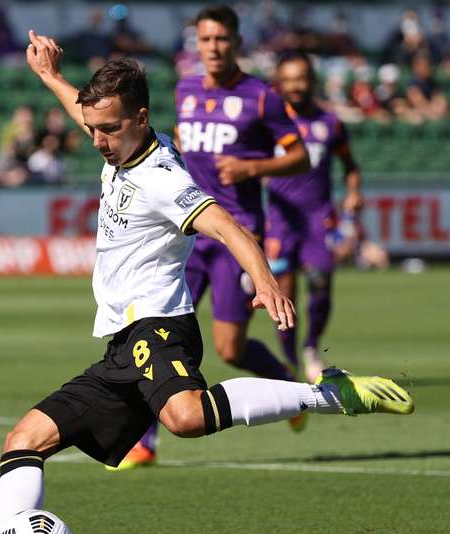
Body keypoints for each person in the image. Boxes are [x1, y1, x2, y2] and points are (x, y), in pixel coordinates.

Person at [0, 30, 413, 534]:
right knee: (22, 441)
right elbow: (84, 114)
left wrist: (266, 283)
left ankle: (330, 393)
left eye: (108, 129)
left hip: (160, 329)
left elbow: (227, 224)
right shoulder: (119, 144)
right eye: (94, 128)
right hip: (122, 345)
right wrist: (49, 76)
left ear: (141, 118)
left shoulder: (163, 178)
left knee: (184, 418)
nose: (98, 140)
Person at [118, 5, 312, 470]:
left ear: (236, 42)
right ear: (197, 43)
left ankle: (284, 380)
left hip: (234, 235)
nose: (213, 48)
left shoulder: (260, 96)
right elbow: (183, 141)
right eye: (205, 40)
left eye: (221, 39)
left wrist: (253, 167)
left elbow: (301, 155)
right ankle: (144, 442)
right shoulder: (185, 88)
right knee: (154, 331)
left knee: (228, 348)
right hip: (186, 233)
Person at [265, 51, 362, 384]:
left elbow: (350, 167)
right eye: (289, 79)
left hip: (318, 219)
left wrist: (352, 195)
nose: (296, 85)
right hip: (280, 220)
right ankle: (290, 361)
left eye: (301, 78)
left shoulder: (330, 122)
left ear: (312, 80)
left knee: (321, 286)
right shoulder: (271, 123)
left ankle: (310, 348)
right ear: (280, 83)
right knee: (284, 297)